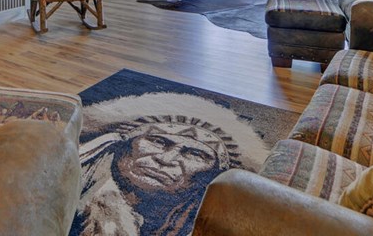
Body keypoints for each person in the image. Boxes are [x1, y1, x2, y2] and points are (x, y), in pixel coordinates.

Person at [71, 92, 268, 236]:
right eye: (157, 141)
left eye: (195, 154)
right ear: (123, 145)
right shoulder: (70, 191)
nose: (165, 160)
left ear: (210, 175)